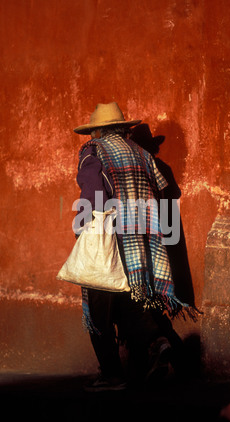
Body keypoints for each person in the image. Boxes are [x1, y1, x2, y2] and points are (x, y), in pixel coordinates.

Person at [73, 102, 190, 391]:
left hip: (109, 240)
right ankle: (158, 343)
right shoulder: (143, 154)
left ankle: (112, 375)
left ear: (98, 130)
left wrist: (81, 230)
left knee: (99, 309)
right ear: (123, 128)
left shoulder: (94, 151)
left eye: (93, 132)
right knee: (132, 301)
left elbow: (92, 195)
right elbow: (166, 189)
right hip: (142, 241)